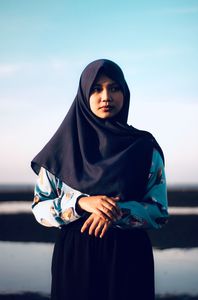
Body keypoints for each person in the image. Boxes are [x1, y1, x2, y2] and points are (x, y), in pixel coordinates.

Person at [31, 59, 168, 300]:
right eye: (96, 88)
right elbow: (40, 208)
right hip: (75, 258)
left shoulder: (145, 149)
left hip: (129, 257)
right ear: (84, 94)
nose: (106, 96)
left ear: (125, 93)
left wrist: (115, 211)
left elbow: (159, 210)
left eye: (114, 88)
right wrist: (81, 203)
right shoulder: (60, 151)